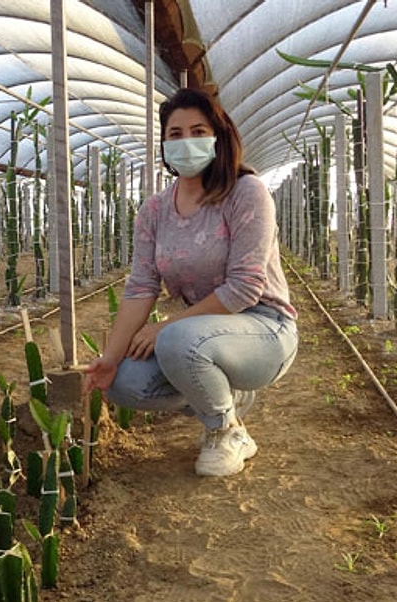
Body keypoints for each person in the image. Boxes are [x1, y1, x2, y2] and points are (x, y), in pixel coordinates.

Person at [83, 88, 298, 477]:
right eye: (175, 134)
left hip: (265, 328)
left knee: (175, 340)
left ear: (218, 136)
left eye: (198, 132)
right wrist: (109, 359)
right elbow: (141, 287)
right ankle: (223, 396)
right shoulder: (154, 211)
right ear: (165, 145)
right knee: (123, 383)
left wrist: (166, 327)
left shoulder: (245, 192)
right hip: (201, 333)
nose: (187, 142)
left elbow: (245, 287)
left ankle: (226, 431)